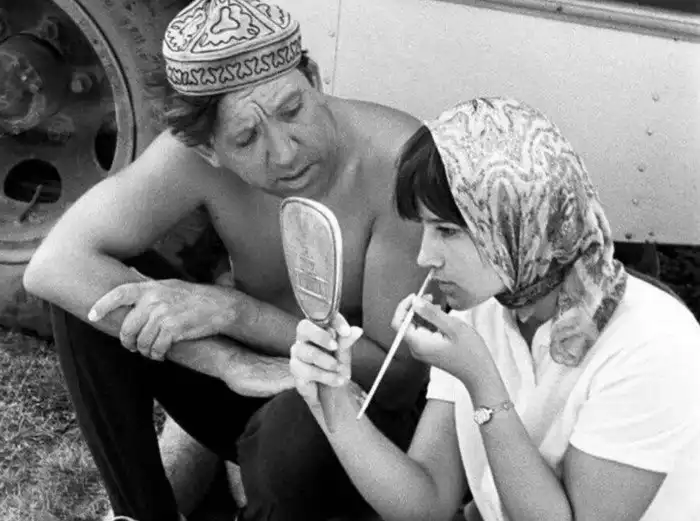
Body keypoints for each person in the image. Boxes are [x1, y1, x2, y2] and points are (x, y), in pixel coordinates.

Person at [22, 1, 434, 520]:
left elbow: (397, 381)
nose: (285, 152)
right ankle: (140, 514)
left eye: (292, 110)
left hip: (360, 416)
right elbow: (54, 265)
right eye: (246, 138)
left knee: (295, 423)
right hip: (255, 382)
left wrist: (235, 312)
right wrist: (229, 362)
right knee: (97, 299)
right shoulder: (191, 156)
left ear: (313, 79)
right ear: (208, 149)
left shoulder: (398, 162)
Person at [290, 97, 700, 521]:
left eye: (447, 230)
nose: (425, 257)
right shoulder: (481, 311)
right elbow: (426, 502)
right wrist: (331, 396)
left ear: (519, 221)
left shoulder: (652, 343)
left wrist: (481, 381)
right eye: (425, 228)